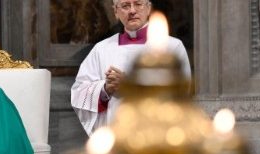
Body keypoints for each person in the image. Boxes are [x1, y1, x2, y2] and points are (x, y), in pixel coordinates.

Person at [71, 0, 191, 135]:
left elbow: (181, 95)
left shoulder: (172, 47)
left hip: (156, 137)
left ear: (148, 8)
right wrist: (105, 89)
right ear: (116, 12)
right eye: (125, 6)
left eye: (138, 4)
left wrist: (130, 86)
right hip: (115, 137)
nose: (132, 11)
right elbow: (78, 93)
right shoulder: (101, 49)